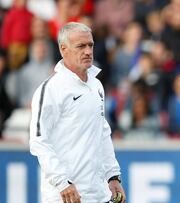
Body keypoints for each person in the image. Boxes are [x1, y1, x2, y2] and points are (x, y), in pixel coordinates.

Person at [29, 22, 126, 203]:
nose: (88, 51)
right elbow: (38, 141)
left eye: (90, 45)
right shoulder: (51, 89)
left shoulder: (96, 85)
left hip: (97, 193)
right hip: (64, 195)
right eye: (81, 46)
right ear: (63, 49)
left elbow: (102, 132)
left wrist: (113, 176)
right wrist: (62, 182)